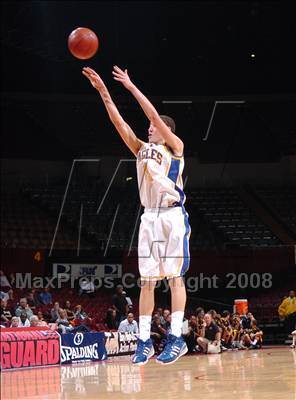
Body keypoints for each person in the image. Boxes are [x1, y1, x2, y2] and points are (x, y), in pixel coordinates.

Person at [82, 65, 191, 365]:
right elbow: (119, 123)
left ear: (166, 130)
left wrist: (130, 86)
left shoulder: (176, 148)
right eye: (149, 127)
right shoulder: (141, 149)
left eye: (154, 126)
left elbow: (154, 116)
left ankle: (176, 339)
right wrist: (104, 91)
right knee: (146, 282)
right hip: (149, 218)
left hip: (171, 216)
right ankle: (144, 341)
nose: (149, 128)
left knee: (175, 279)